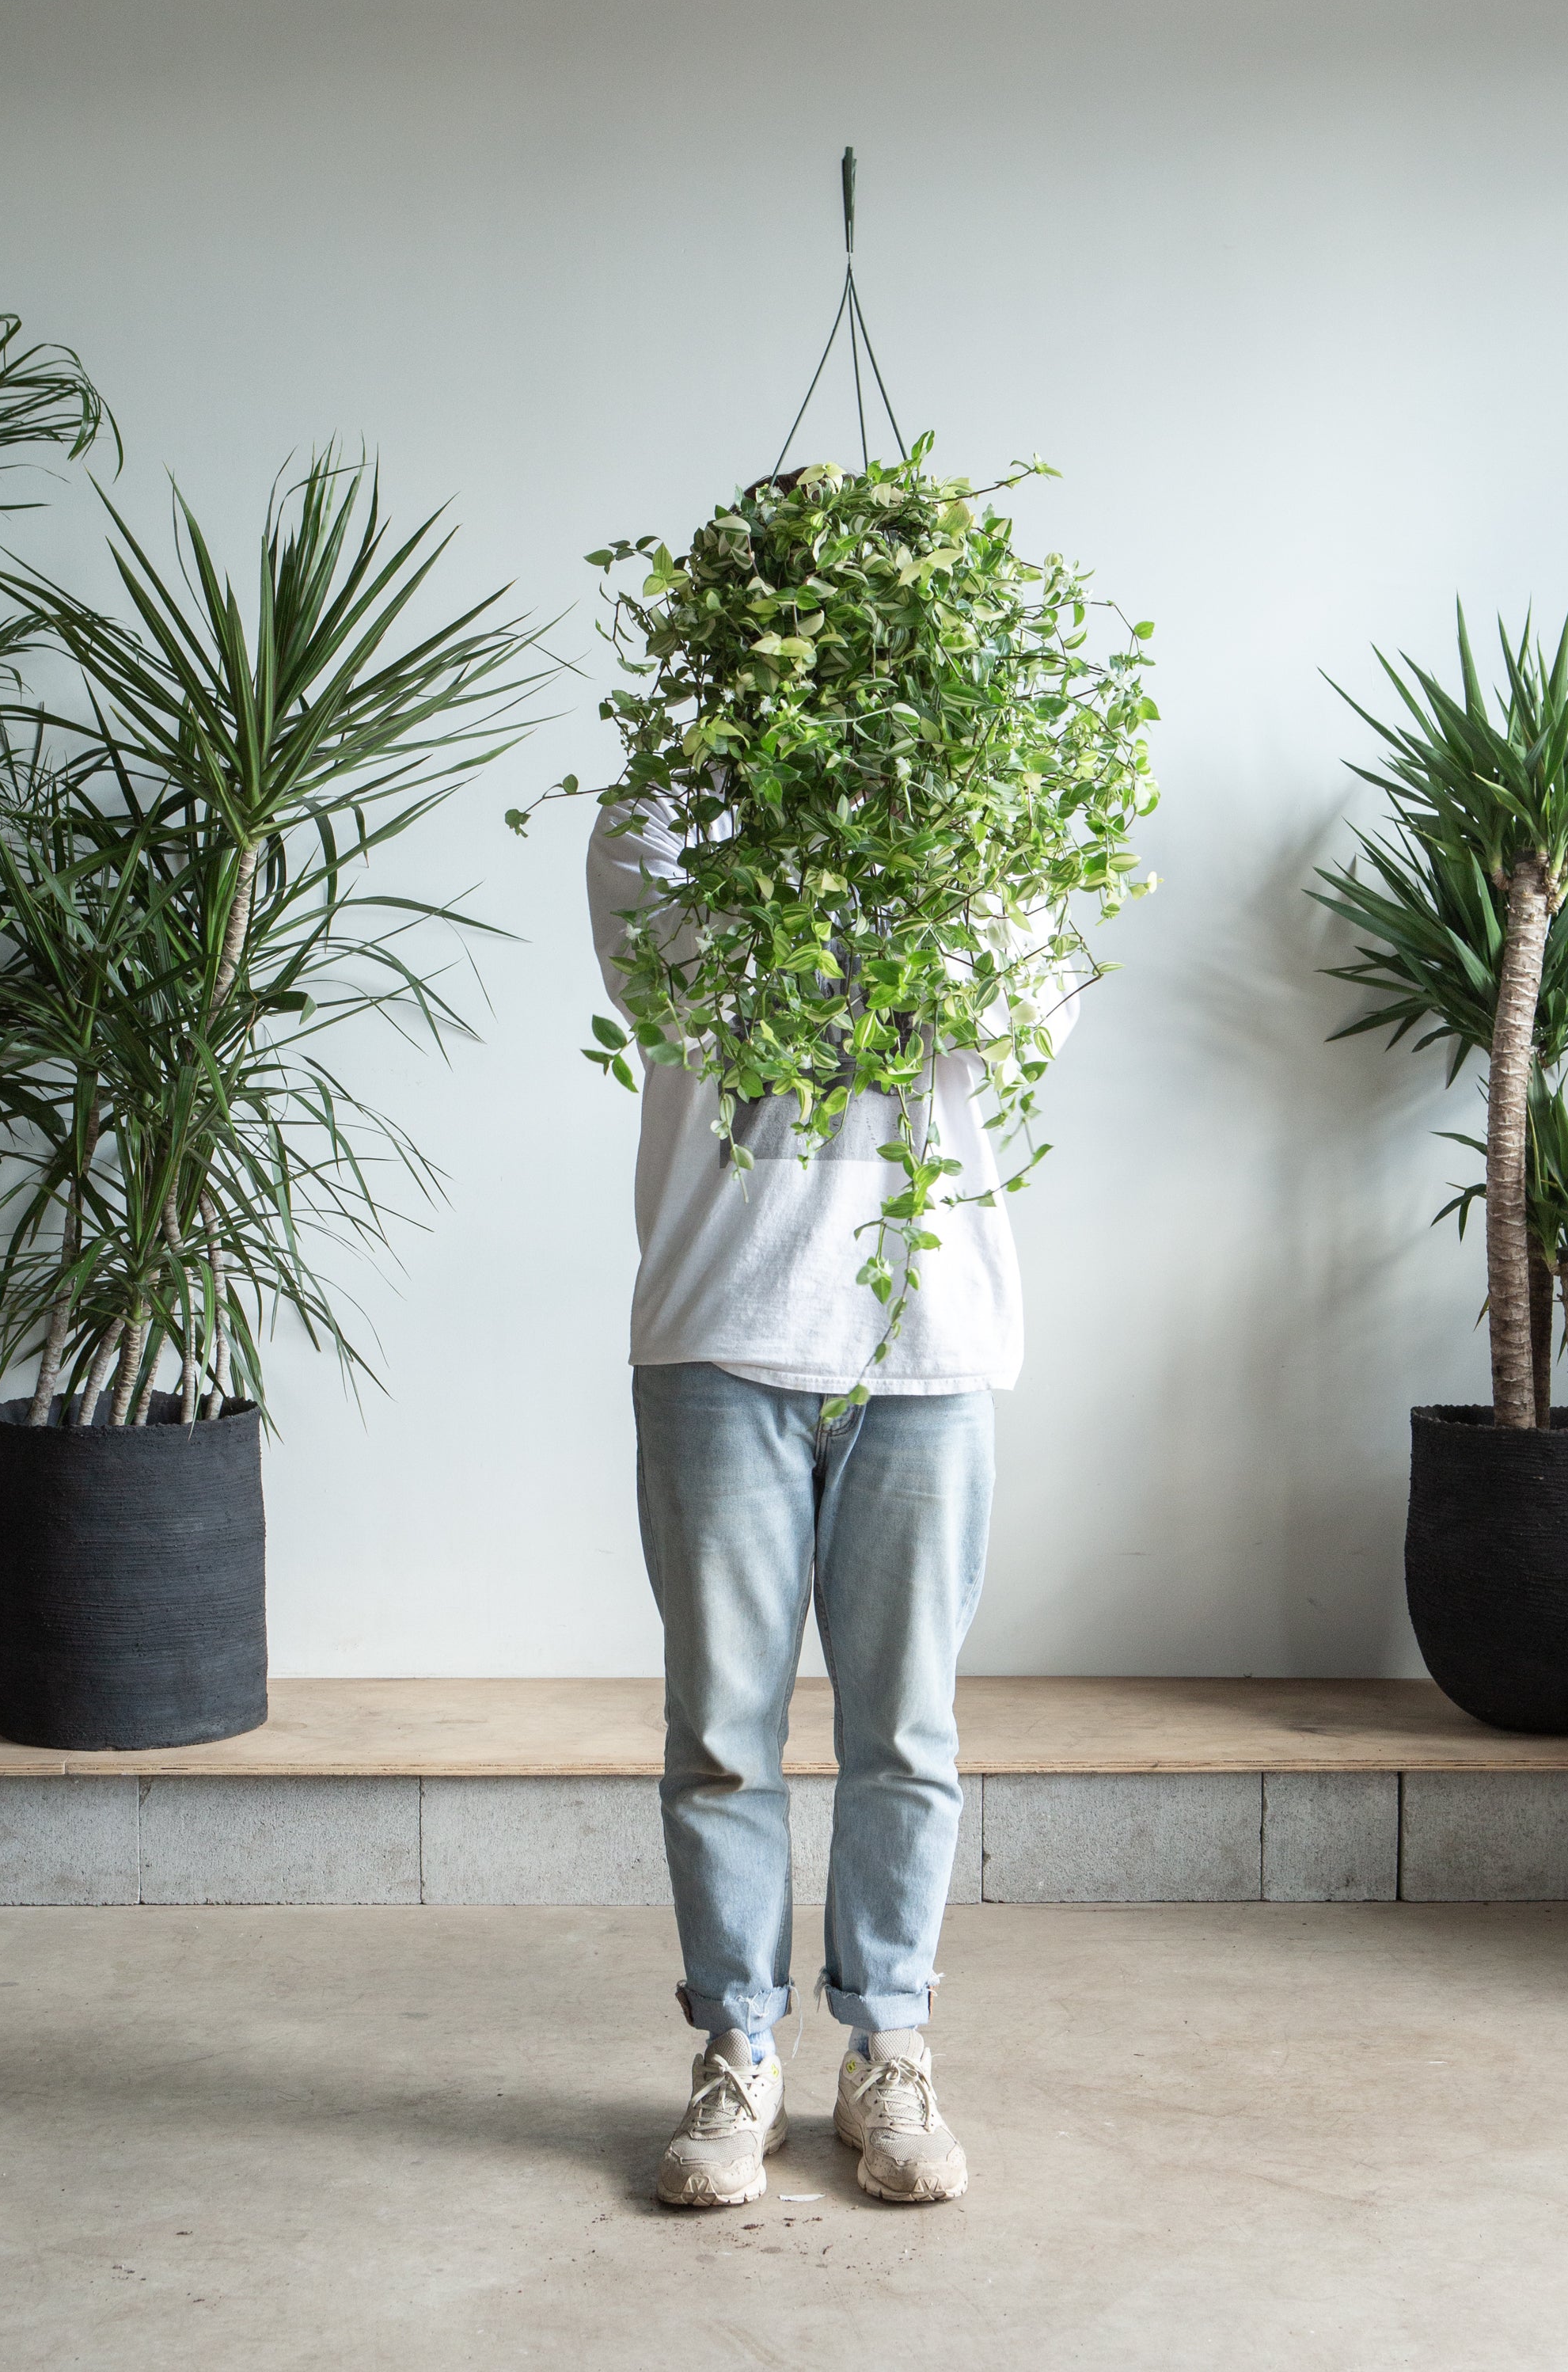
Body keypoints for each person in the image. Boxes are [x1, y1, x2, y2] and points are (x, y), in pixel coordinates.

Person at [588, 792, 1076, 2209]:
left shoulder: (997, 807)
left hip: (927, 1347)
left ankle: (889, 2049)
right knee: (721, 1731)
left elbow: (1024, 1021)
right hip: (717, 1333)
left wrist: (948, 825)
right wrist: (803, 809)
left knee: (907, 1729)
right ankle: (740, 2051)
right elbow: (688, 987)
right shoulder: (660, 812)